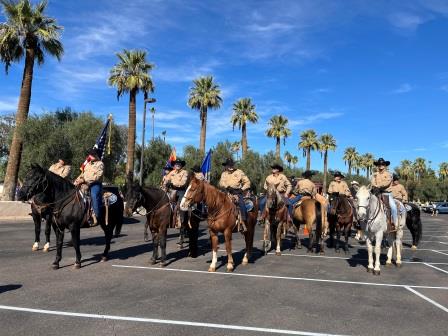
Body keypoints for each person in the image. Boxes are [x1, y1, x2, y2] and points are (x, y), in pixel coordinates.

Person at [218, 158, 251, 232]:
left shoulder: (239, 172)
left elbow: (247, 182)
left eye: (231, 164)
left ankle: (243, 222)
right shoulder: (224, 173)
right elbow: (221, 183)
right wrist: (227, 187)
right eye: (228, 165)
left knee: (242, 205)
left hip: (237, 192)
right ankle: (215, 222)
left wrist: (242, 189)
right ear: (226, 166)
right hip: (226, 191)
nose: (230, 166)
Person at [75, 149, 104, 226]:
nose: (89, 156)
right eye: (89, 155)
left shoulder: (100, 164)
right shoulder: (87, 164)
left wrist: (84, 179)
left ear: (95, 155)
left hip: (95, 184)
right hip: (85, 183)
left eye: (91, 155)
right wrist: (77, 180)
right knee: (75, 194)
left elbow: (97, 176)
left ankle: (97, 216)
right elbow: (82, 174)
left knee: (94, 196)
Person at [370, 157, 397, 231]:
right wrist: (374, 185)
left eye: (382, 164)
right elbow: (372, 181)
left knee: (393, 207)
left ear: (385, 165)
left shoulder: (389, 174)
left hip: (386, 193)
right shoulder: (375, 174)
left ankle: (394, 224)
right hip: (376, 193)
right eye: (379, 164)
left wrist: (378, 185)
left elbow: (387, 182)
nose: (380, 165)